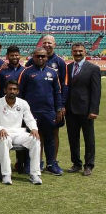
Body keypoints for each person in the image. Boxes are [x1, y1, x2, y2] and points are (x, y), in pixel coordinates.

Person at [18, 47, 65, 176]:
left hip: (49, 112)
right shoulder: (26, 72)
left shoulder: (53, 73)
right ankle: (31, 164)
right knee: (31, 138)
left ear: (47, 57)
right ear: (33, 56)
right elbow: (20, 93)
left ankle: (51, 164)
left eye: (43, 56)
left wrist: (59, 108)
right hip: (31, 113)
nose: (40, 58)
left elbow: (58, 92)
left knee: (50, 138)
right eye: (38, 56)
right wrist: (21, 112)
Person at [0, 80, 42, 185]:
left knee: (35, 139)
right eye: (10, 89)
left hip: (19, 133)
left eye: (14, 89)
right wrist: (0, 129)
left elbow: (29, 119)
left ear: (18, 91)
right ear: (5, 90)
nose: (12, 91)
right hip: (4, 133)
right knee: (3, 139)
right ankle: (6, 174)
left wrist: (34, 129)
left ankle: (35, 174)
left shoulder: (23, 103)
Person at [26, 34, 68, 167]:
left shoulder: (60, 62)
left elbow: (63, 85)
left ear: (54, 45)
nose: (47, 45)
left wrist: (61, 106)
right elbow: (22, 73)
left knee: (53, 133)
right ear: (41, 44)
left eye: (50, 43)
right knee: (36, 133)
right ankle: (38, 161)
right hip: (35, 107)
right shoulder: (32, 61)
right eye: (45, 42)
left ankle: (52, 161)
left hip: (52, 106)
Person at [65, 43, 101, 176]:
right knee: (73, 138)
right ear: (72, 52)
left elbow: (96, 92)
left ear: (85, 52)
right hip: (70, 110)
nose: (78, 53)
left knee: (89, 139)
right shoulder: (68, 67)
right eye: (75, 51)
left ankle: (89, 165)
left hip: (86, 111)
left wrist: (94, 110)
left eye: (80, 51)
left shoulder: (93, 68)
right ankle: (76, 163)